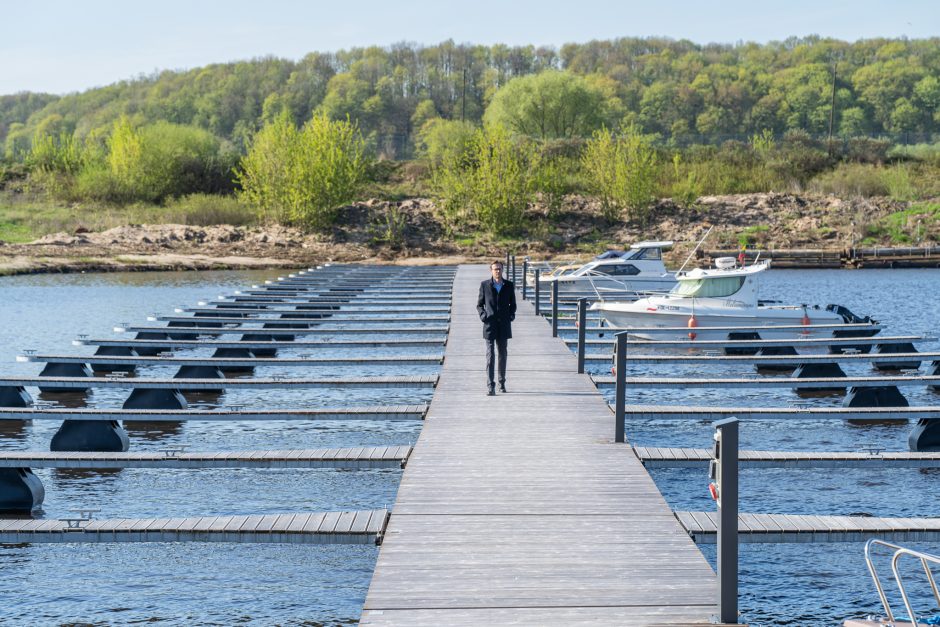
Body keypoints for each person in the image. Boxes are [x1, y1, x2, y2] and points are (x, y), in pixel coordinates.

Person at [476, 260, 516, 395]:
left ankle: (502, 383)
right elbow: (479, 305)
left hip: (504, 325)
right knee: (490, 355)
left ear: (502, 270)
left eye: (499, 269)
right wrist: (483, 316)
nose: (497, 271)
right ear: (491, 270)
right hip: (489, 325)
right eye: (495, 269)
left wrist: (510, 316)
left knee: (502, 354)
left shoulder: (509, 285)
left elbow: (513, 305)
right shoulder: (484, 285)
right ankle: (490, 386)